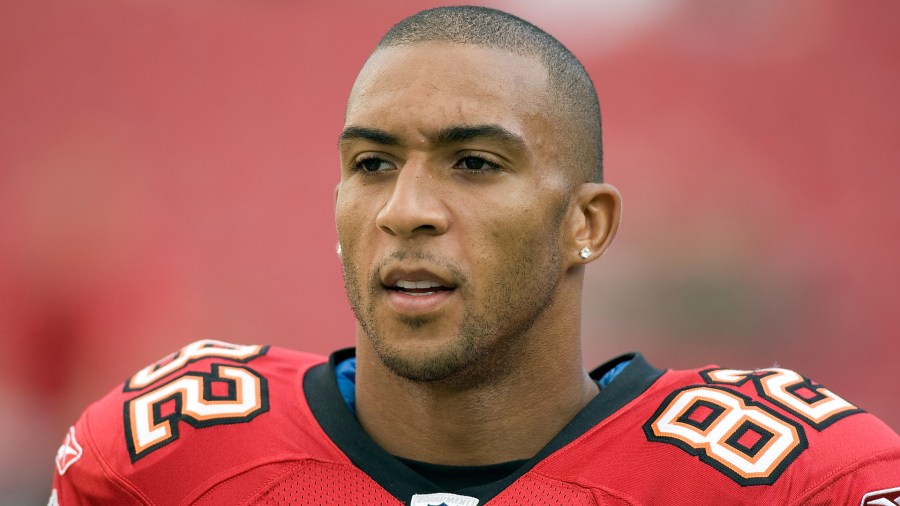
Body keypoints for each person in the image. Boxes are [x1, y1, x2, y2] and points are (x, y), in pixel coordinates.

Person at [50, 6, 899, 505]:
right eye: (371, 164)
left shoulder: (797, 479)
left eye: (475, 164)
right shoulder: (168, 453)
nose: (406, 211)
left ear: (587, 224)